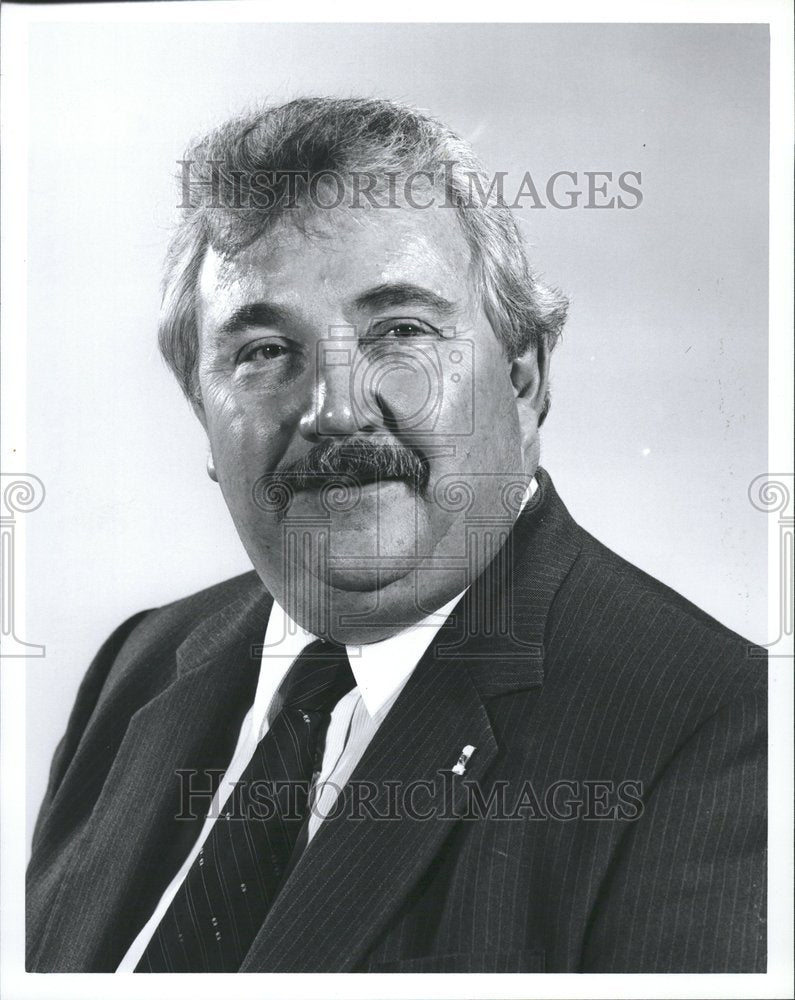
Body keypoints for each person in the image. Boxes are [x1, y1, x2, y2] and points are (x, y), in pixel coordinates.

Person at [26, 97, 766, 974]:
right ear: (201, 414)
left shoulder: (721, 733)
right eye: (263, 351)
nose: (334, 411)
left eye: (401, 333)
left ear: (525, 380)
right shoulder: (142, 663)